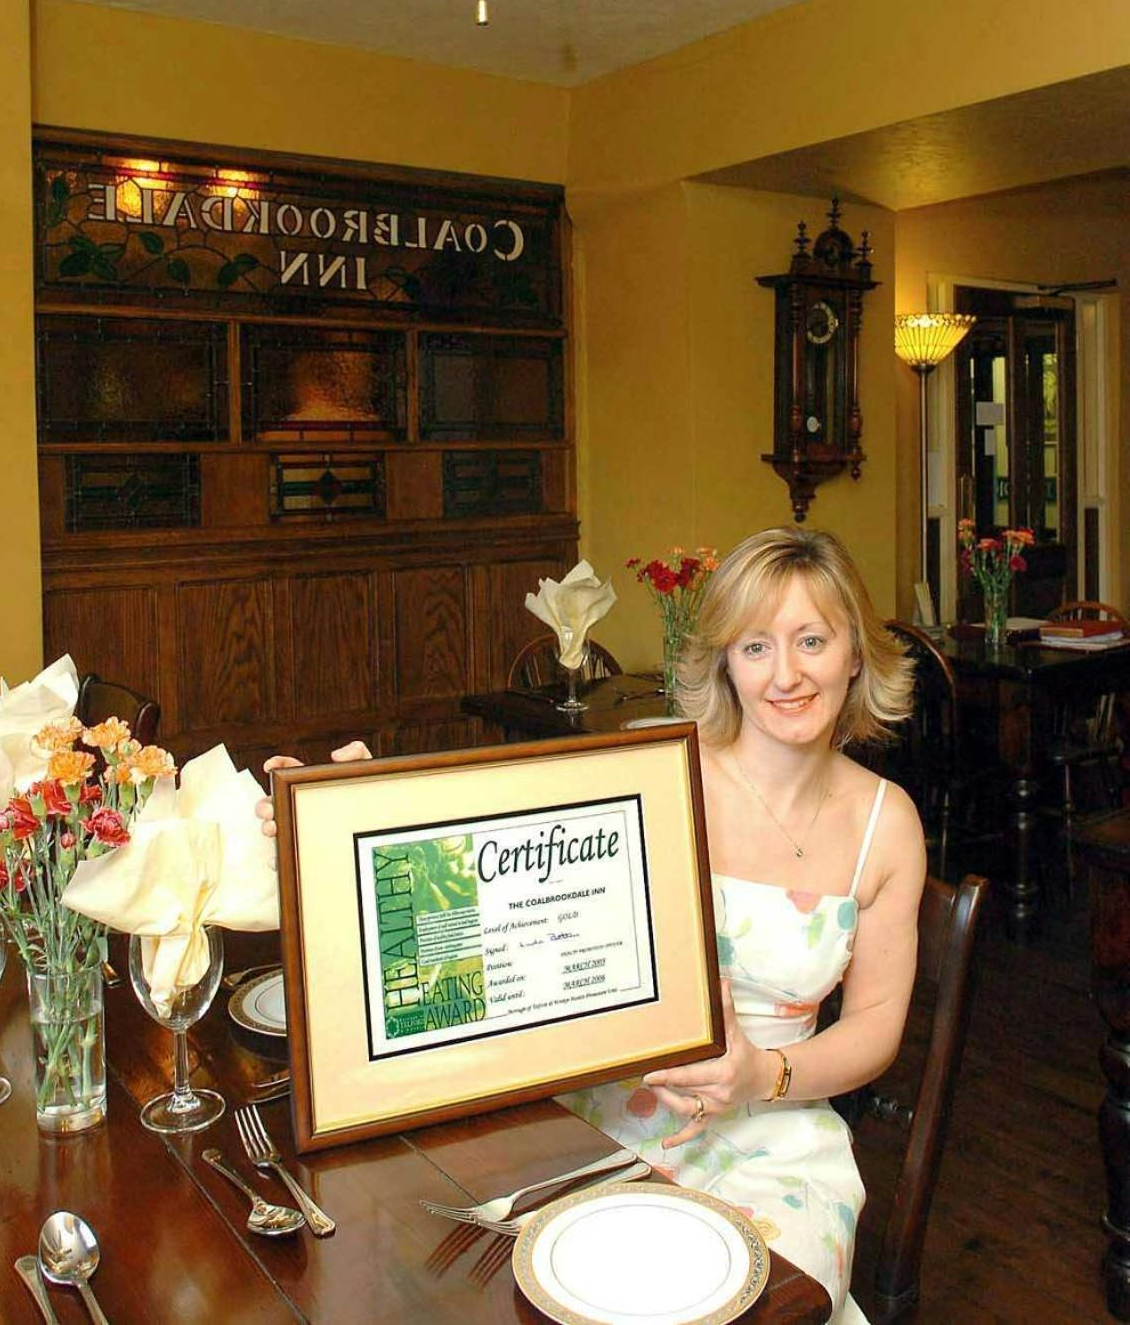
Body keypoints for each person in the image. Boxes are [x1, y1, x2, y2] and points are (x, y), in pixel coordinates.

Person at [257, 525, 924, 1324]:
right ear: (724, 662)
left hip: (771, 1134)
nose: (785, 673)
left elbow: (879, 1024)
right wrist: (352, 826)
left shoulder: (888, 825)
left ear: (854, 652)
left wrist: (762, 1075)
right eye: (754, 646)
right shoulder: (650, 771)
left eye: (810, 639)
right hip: (591, 1108)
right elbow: (488, 883)